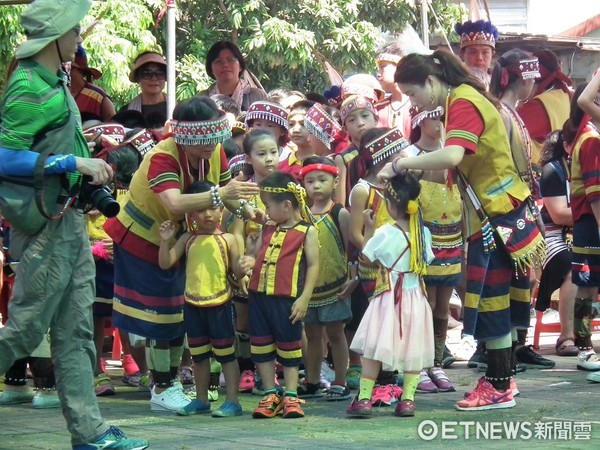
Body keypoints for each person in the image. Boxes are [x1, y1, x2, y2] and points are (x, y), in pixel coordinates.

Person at [0, 0, 148, 448]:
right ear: (57, 34)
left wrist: (85, 164)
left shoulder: (55, 77)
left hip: (67, 221)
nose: (80, 35)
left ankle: (91, 432)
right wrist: (72, 161)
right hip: (46, 227)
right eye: (75, 28)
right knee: (25, 328)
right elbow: (4, 155)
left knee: (77, 332)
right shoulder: (28, 84)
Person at [382, 49, 545, 411]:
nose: (414, 102)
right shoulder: (467, 97)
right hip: (502, 214)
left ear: (430, 81)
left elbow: (453, 155)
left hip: (495, 217)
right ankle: (502, 380)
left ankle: (499, 386)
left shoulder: (463, 102)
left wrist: (400, 163)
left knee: (491, 302)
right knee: (495, 301)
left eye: (412, 93)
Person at [104, 96, 260, 413]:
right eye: (204, 142)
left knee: (178, 314)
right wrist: (222, 194)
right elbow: (175, 204)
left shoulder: (213, 151)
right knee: (161, 317)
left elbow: (229, 195)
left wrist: (251, 212)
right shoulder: (162, 157)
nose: (211, 147)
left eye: (215, 140)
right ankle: (161, 387)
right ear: (187, 138)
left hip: (177, 237)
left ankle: (170, 383)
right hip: (143, 237)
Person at [347, 170, 434, 417]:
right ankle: (407, 399)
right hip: (416, 298)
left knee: (374, 348)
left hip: (388, 299)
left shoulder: (385, 232)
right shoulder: (423, 234)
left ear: (391, 206)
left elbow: (366, 256)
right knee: (413, 349)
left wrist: (369, 228)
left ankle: (364, 398)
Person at [489, 49, 556, 370]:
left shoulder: (509, 111)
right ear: (525, 79)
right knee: (508, 278)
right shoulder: (501, 113)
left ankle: (516, 344)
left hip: (519, 201)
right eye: (534, 79)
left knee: (522, 277)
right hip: (509, 205)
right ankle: (499, 352)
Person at [158, 180, 246, 417]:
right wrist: (165, 239)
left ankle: (233, 401)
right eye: (200, 209)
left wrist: (245, 265)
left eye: (213, 207)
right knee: (198, 355)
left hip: (220, 303)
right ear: (190, 213)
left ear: (222, 209)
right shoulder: (187, 238)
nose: (207, 214)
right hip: (192, 303)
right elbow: (165, 262)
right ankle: (200, 399)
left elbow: (237, 271)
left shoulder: (229, 239)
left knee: (226, 354)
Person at [240, 171, 319, 419]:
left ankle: (291, 393)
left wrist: (305, 297)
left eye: (268, 206)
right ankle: (270, 393)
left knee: (289, 346)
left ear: (286, 205)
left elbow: (314, 265)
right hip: (258, 296)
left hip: (286, 298)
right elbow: (256, 254)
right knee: (261, 344)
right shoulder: (267, 227)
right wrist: (249, 260)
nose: (266, 211)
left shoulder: (307, 230)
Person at [405, 107, 461, 393]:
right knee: (422, 305)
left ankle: (437, 361)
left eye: (443, 118)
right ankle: (420, 363)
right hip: (423, 241)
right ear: (419, 120)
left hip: (451, 239)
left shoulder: (454, 154)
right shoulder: (410, 157)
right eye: (434, 117)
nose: (439, 124)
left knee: (441, 308)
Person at [297, 157, 354, 401]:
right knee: (311, 333)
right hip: (310, 287)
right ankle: (312, 380)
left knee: (335, 333)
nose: (316, 186)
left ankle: (340, 380)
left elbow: (350, 249)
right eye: (310, 181)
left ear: (335, 181)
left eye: (322, 180)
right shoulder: (302, 214)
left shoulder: (339, 213)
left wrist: (352, 278)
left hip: (336, 285)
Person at [229, 130, 279, 395]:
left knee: (275, 320)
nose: (269, 159)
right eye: (261, 154)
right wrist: (240, 261)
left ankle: (273, 372)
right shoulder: (244, 192)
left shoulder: (289, 188)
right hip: (250, 265)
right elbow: (237, 230)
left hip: (279, 267)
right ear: (248, 158)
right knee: (245, 321)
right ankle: (247, 368)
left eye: (273, 152)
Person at [565, 85, 600, 379]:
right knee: (588, 286)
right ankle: (584, 347)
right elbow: (595, 193)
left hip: (592, 222)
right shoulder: (591, 140)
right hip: (592, 223)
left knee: (590, 286)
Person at [536, 124, 579, 357]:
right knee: (574, 266)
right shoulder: (553, 170)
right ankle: (567, 335)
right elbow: (559, 214)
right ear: (567, 146)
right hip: (553, 234)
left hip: (582, 230)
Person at [517, 49, 573, 171]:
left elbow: (506, 132)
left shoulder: (537, 105)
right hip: (563, 171)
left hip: (541, 176)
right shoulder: (563, 95)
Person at [204, 41, 267, 112]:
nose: (225, 65)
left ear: (240, 66)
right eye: (218, 61)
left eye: (230, 60)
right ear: (211, 68)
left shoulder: (257, 96)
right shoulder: (202, 99)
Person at [69, 44, 116, 123]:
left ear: (77, 69)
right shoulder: (58, 92)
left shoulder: (98, 96)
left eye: (66, 67)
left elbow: (113, 125)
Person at [123, 51, 168, 127]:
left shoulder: (179, 109)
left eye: (160, 74)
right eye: (147, 73)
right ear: (138, 78)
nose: (154, 78)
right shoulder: (126, 113)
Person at [454, 19, 498, 87]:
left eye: (485, 52)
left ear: (492, 54)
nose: (479, 58)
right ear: (462, 54)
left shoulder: (501, 85)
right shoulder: (452, 84)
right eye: (473, 52)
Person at [278, 100, 316, 180]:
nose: (295, 130)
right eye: (291, 124)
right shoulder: (281, 166)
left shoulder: (325, 161)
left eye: (303, 124)